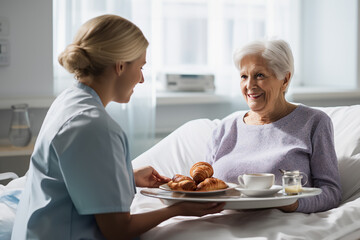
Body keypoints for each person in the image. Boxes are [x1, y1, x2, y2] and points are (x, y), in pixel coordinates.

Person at [11, 14, 224, 240]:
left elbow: (73, 175)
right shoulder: (95, 126)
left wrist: (126, 177)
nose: (142, 79)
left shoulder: (68, 102)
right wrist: (178, 210)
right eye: (141, 67)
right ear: (120, 66)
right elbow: (118, 230)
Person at [205, 39, 342, 213]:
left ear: (284, 80)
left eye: (259, 75)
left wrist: (293, 204)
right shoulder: (224, 128)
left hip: (278, 224)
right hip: (218, 221)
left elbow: (331, 192)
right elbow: (203, 187)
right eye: (243, 76)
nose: (249, 86)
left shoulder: (314, 122)